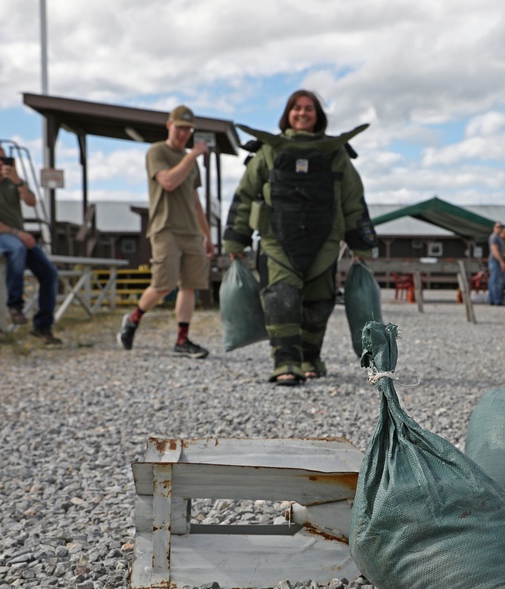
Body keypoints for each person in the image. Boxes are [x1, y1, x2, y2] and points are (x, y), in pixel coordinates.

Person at [223, 90, 375, 386]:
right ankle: (285, 363)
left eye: (308, 108)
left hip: (325, 242)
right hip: (276, 241)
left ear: (318, 115)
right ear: (287, 113)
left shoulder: (335, 153)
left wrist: (362, 245)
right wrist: (235, 241)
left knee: (318, 304)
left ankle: (310, 358)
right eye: (296, 108)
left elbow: (353, 199)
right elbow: (245, 195)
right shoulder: (268, 151)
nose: (302, 113)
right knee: (282, 297)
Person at [118, 105, 214, 358]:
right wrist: (192, 155)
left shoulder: (190, 163)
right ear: (169, 125)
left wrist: (207, 235)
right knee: (163, 284)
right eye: (180, 127)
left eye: (188, 129)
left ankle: (182, 340)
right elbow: (169, 182)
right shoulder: (157, 151)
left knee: (190, 285)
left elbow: (195, 202)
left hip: (190, 231)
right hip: (165, 228)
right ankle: (133, 319)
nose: (184, 133)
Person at [0, 144, 61, 344]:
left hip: (17, 237)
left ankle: (42, 325)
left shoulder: (14, 183)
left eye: (4, 159)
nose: (0, 163)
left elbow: (32, 202)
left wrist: (18, 181)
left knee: (50, 273)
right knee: (17, 248)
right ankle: (14, 305)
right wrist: (18, 233)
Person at [488, 222, 505, 306]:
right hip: (495, 261)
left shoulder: (499, 238)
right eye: (497, 227)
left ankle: (497, 299)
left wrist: (504, 255)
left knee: (499, 280)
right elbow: (494, 250)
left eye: (500, 227)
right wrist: (501, 262)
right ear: (494, 227)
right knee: (495, 280)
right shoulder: (494, 237)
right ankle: (496, 300)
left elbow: (499, 252)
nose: (499, 228)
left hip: (498, 260)